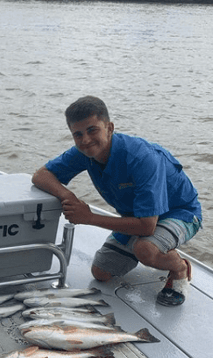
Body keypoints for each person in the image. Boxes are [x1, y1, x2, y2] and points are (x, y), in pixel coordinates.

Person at [32, 96, 202, 306]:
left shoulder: (142, 158)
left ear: (109, 127)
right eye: (78, 134)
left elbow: (147, 227)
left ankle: (178, 267)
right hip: (138, 216)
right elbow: (41, 175)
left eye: (92, 130)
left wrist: (88, 217)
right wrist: (70, 197)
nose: (85, 140)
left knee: (145, 249)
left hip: (181, 213)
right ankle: (152, 249)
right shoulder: (84, 152)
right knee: (100, 272)